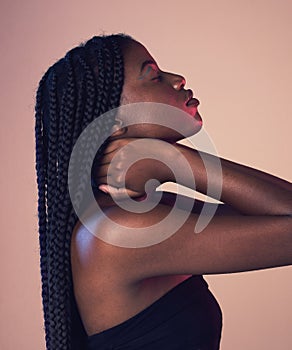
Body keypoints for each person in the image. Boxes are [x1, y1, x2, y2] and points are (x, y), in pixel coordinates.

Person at [35, 34, 292, 350]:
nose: (177, 79)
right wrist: (174, 160)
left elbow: (277, 213)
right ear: (114, 123)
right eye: (153, 75)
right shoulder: (117, 232)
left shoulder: (137, 211)